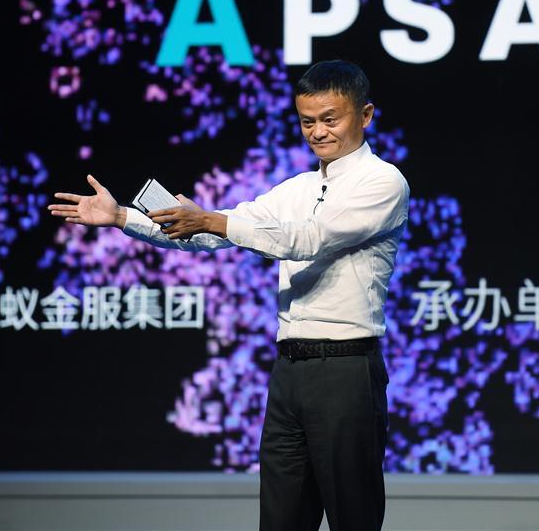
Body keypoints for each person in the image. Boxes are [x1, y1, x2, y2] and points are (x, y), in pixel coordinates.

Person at [48, 60, 410, 531]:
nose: (318, 132)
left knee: (353, 517)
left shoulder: (383, 181)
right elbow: (212, 233)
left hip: (345, 370)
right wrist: (122, 218)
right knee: (280, 520)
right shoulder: (298, 187)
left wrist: (213, 220)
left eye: (330, 119)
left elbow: (307, 239)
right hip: (289, 372)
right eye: (307, 121)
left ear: (365, 115)